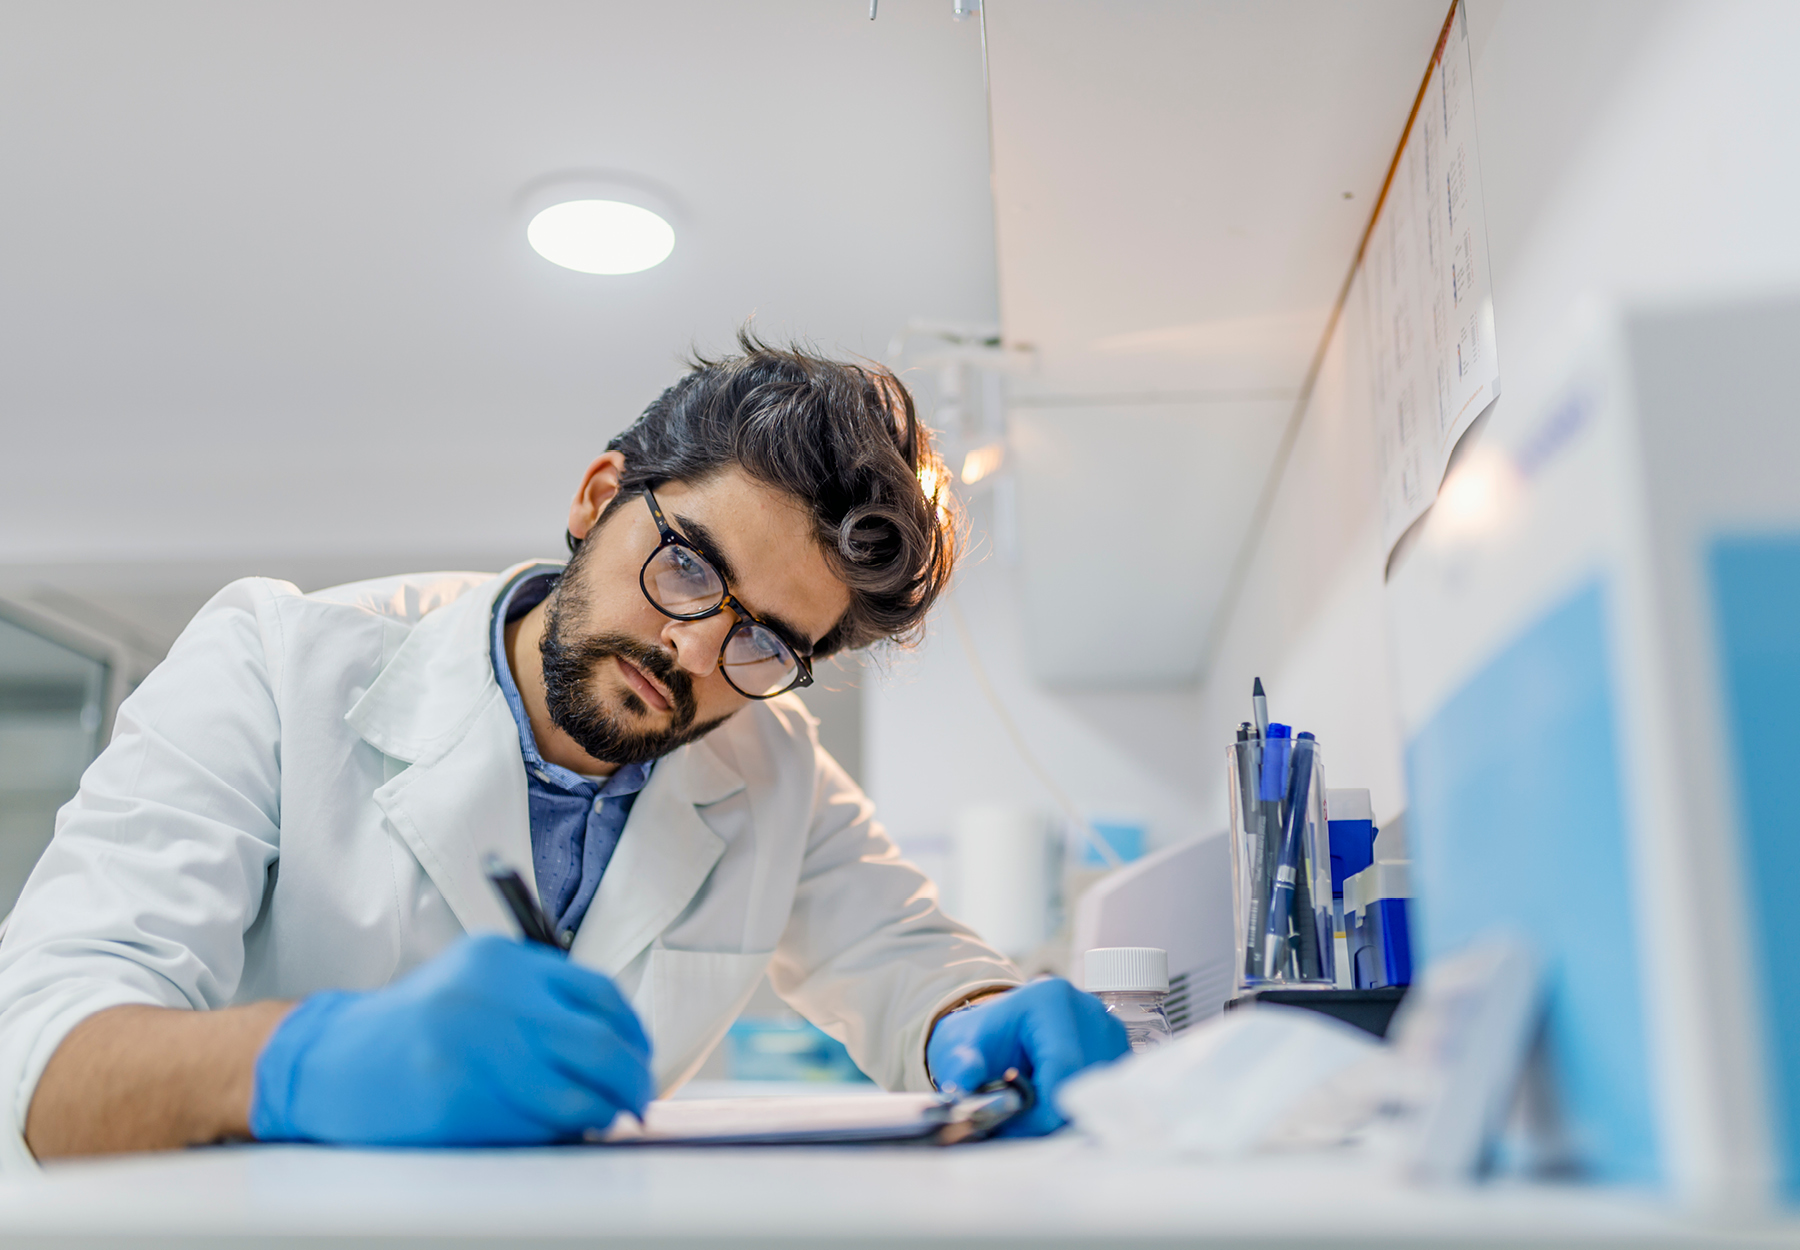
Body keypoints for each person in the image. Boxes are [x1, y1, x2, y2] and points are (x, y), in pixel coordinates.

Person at [0, 332, 1126, 1165]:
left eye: (766, 641)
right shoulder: (275, 660)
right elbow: (37, 1062)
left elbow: (903, 958)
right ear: (597, 497)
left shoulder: (771, 763)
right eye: (688, 564)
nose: (694, 649)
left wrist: (978, 1012)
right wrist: (298, 1062)